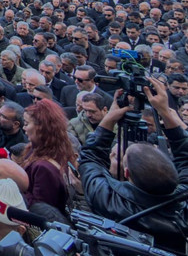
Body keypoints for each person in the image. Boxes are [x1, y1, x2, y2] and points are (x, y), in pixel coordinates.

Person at [79, 77, 188, 253]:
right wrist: (165, 112)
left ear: (127, 173)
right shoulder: (183, 203)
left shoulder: (109, 200)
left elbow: (90, 159)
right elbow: (186, 155)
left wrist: (109, 118)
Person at [22, 99, 76, 215]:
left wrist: (16, 182)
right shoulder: (57, 150)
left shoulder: (44, 168)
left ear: (41, 128)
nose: (24, 128)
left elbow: (40, 210)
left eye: (26, 124)